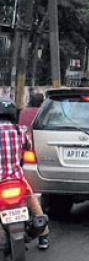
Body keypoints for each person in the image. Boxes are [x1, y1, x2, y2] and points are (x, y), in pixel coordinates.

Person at [0, 98, 49, 250]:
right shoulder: (19, 130)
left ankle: (2, 240)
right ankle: (44, 236)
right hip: (17, 178)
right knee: (32, 200)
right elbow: (28, 149)